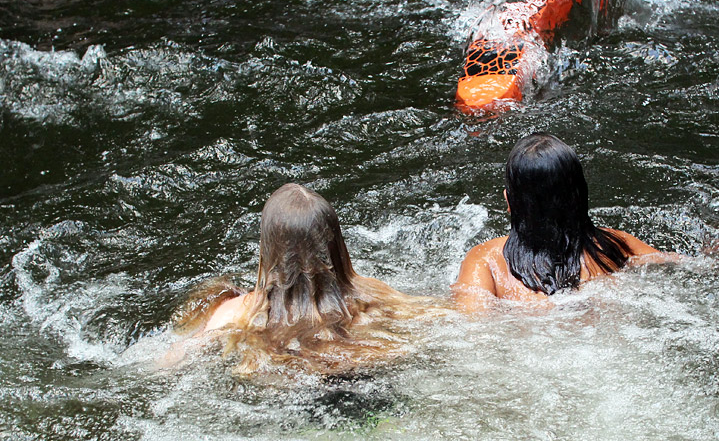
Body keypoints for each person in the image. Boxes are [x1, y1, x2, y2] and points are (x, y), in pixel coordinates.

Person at [171, 183, 430, 374]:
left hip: (290, 397)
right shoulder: (376, 294)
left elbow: (176, 360)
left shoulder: (235, 312)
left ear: (269, 248)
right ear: (335, 244)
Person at [452, 133, 666, 311]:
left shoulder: (486, 261)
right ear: (580, 197)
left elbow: (471, 328)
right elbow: (678, 264)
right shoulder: (614, 246)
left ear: (509, 200)